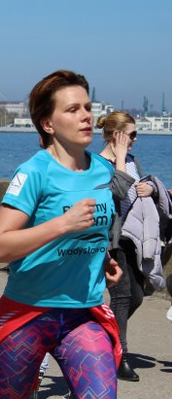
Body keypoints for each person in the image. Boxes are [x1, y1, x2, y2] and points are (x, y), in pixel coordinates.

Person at [0, 70, 123, 398]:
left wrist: (102, 256)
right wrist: (62, 224)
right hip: (28, 312)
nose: (86, 116)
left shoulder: (103, 170)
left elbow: (92, 229)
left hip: (84, 311)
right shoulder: (34, 172)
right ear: (48, 124)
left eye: (88, 107)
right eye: (73, 109)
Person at [97, 111, 164, 382]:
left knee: (136, 296)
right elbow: (118, 192)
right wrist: (121, 157)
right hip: (112, 240)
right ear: (117, 135)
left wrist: (152, 190)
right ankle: (119, 356)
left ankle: (103, 334)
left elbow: (138, 190)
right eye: (132, 134)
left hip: (134, 238)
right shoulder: (98, 164)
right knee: (122, 296)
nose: (135, 139)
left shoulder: (133, 161)